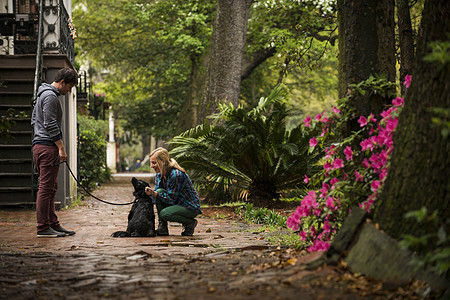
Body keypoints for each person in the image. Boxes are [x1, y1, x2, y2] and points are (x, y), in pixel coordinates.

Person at [31, 68, 78, 238]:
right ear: (63, 82)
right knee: (46, 188)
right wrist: (61, 147)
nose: (69, 91)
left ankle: (53, 224)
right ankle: (43, 227)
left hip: (40, 145)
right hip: (47, 146)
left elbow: (34, 121)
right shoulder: (50, 96)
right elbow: (50, 123)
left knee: (51, 187)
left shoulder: (43, 94)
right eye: (70, 87)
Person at [145, 147, 201, 236]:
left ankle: (190, 222)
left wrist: (154, 194)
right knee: (159, 191)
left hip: (189, 207)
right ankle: (162, 227)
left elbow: (171, 200)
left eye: (154, 163)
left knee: (164, 214)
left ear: (163, 161)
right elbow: (157, 195)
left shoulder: (176, 175)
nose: (152, 166)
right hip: (176, 204)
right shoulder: (159, 175)